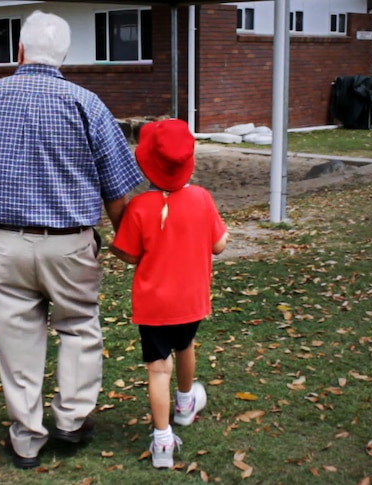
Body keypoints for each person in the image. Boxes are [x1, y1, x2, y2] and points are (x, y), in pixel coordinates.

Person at [0, 10, 142, 470]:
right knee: (78, 328)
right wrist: (128, 242)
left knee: (16, 341)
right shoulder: (87, 103)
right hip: (70, 243)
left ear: (21, 51)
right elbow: (116, 188)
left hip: (3, 243)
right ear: (64, 56)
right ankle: (71, 419)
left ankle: (27, 437)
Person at [109, 119, 228, 469]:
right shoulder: (202, 198)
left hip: (153, 305)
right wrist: (226, 234)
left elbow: (130, 254)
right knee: (186, 345)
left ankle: (162, 442)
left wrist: (115, 246)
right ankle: (186, 403)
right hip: (191, 300)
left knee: (159, 368)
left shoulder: (139, 207)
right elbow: (219, 245)